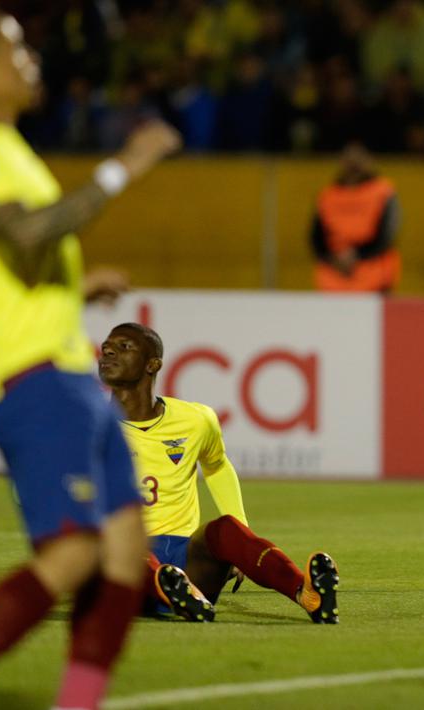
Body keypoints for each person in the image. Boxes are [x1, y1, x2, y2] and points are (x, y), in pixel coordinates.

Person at [0, 5, 181, 710]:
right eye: (16, 49)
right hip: (28, 373)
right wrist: (126, 168)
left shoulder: (4, 149)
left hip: (64, 366)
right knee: (72, 555)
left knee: (122, 561)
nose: (32, 61)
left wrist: (67, 285)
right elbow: (24, 232)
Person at [98, 323, 339, 624]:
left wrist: (242, 539)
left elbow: (218, 466)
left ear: (153, 364)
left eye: (123, 346)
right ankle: (171, 590)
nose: (107, 350)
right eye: (107, 345)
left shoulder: (196, 420)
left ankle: (307, 594)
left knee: (226, 529)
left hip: (186, 560)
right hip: (126, 565)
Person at [310, 142, 401, 293]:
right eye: (349, 158)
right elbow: (316, 238)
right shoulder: (328, 196)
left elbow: (387, 235)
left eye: (359, 158)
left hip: (375, 276)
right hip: (333, 278)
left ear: (369, 160)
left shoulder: (382, 192)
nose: (353, 163)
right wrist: (334, 259)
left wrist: (357, 255)